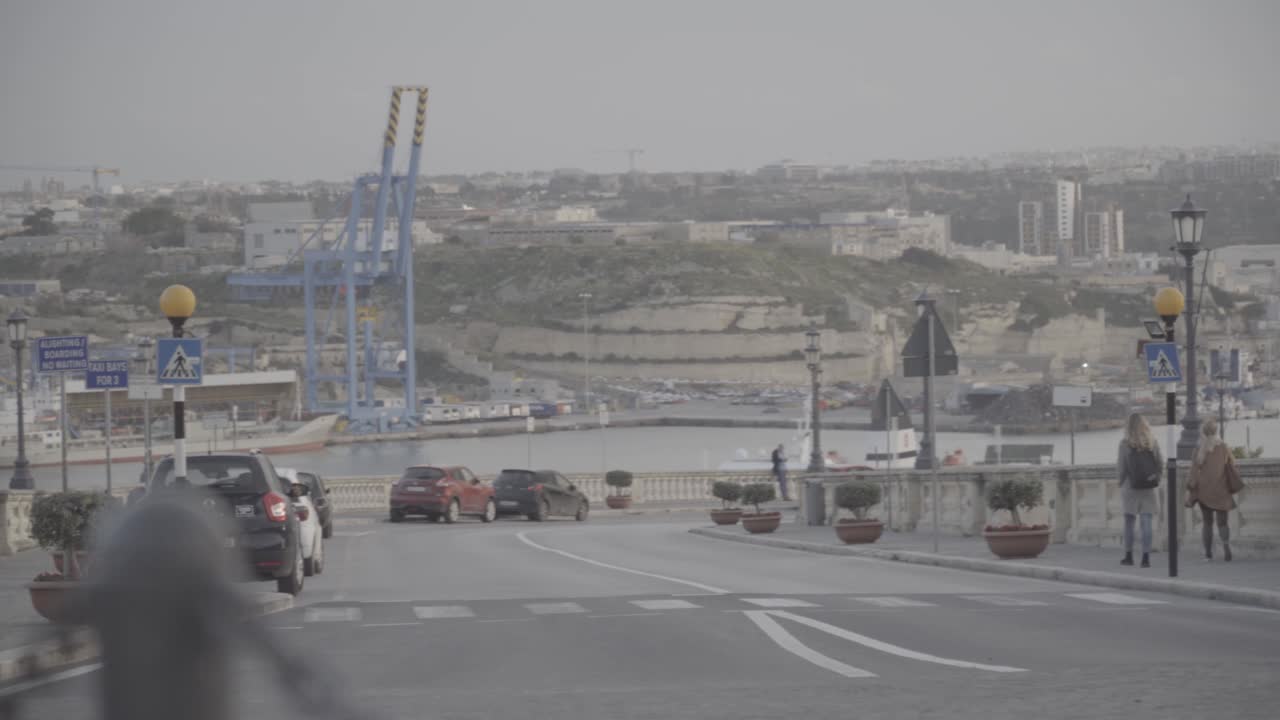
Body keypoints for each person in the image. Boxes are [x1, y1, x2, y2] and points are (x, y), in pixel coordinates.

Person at [1187, 418, 1239, 562]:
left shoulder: (1199, 449)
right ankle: (1226, 546)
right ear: (1216, 431)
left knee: (1207, 523)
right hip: (1221, 490)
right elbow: (1232, 464)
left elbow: (1193, 471)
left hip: (1205, 491)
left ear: (1203, 432)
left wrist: (1190, 488)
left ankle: (1208, 554)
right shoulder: (1224, 447)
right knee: (1222, 522)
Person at [1117, 413, 1161, 568]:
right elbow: (1159, 464)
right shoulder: (1152, 442)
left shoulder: (1125, 443)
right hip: (1148, 487)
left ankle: (1128, 556)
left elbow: (1121, 469)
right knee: (1146, 521)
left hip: (1130, 486)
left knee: (1129, 522)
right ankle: (1145, 558)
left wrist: (1120, 483)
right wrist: (1155, 479)